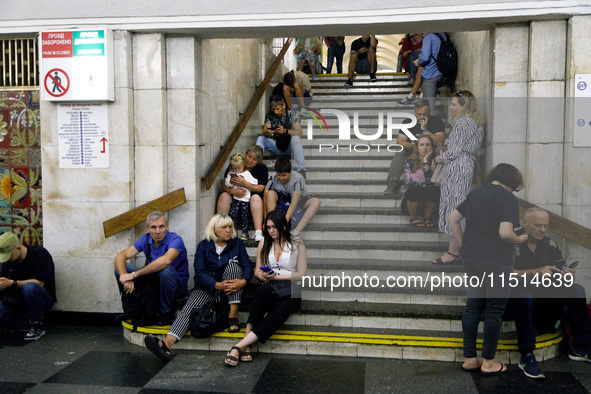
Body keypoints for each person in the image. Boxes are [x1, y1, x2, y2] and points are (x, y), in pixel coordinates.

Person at [448, 163, 528, 376]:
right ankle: (489, 362)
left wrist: (463, 243)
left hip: (472, 258)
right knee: (494, 309)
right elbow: (505, 233)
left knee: (473, 307)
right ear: (514, 181)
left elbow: (452, 218)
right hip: (496, 260)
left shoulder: (476, 193)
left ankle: (470, 358)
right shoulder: (507, 198)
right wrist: (519, 239)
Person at [144, 214, 254, 362]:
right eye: (224, 227)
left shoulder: (237, 244)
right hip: (209, 288)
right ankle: (167, 344)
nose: (228, 230)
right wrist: (216, 285)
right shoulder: (204, 246)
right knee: (188, 309)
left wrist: (244, 281)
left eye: (230, 227)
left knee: (234, 266)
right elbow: (200, 273)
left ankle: (233, 317)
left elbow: (247, 266)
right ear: (214, 229)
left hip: (230, 292)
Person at [507, 207, 591, 379]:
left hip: (544, 303)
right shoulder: (511, 240)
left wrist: (567, 274)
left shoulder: (550, 244)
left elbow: (561, 269)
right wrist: (535, 271)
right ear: (525, 223)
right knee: (524, 294)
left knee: (577, 290)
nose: (543, 230)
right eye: (538, 225)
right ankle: (527, 355)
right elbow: (504, 274)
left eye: (546, 226)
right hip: (516, 300)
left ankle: (579, 347)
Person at [224, 210, 307, 366]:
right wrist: (261, 276)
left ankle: (239, 346)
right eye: (268, 228)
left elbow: (301, 274)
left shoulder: (297, 243)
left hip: (291, 289)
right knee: (261, 292)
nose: (271, 231)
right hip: (270, 286)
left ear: (283, 226)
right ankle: (247, 343)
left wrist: (276, 277)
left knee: (281, 310)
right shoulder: (264, 242)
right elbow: (257, 270)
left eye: (275, 227)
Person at [432, 91, 484, 264]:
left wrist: (437, 159)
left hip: (457, 167)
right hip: (467, 165)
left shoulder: (463, 122)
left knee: (453, 208)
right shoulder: (476, 123)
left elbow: (454, 151)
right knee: (459, 207)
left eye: (454, 104)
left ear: (465, 105)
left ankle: (453, 252)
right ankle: (458, 250)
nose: (451, 108)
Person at [114, 211, 189, 326]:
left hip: (176, 286)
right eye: (153, 227)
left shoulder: (175, 240)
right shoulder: (146, 239)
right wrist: (126, 277)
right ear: (147, 228)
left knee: (165, 269)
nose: (157, 231)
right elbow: (120, 256)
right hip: (154, 284)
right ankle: (131, 309)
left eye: (161, 226)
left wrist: (134, 275)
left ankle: (166, 313)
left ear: (167, 226)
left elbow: (166, 260)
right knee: (120, 270)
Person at [0, 232, 56, 341]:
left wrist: (11, 283)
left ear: (18, 247)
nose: (8, 259)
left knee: (30, 287)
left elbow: (39, 283)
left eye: (10, 254)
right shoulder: (9, 262)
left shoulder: (39, 254)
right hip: (14, 301)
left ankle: (36, 325)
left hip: (41, 299)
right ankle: (18, 321)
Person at [384, 99, 445, 194]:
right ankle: (393, 183)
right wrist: (411, 145)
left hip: (430, 151)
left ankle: (444, 181)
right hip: (413, 151)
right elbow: (400, 141)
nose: (422, 117)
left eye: (425, 114)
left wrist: (424, 129)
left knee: (442, 150)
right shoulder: (408, 122)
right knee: (401, 151)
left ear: (429, 111)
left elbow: (440, 141)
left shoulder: (436, 121)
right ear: (415, 112)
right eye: (419, 114)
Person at [217, 145, 268, 242]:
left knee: (256, 198)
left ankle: (258, 231)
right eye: (249, 157)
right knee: (224, 195)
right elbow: (224, 185)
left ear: (258, 161)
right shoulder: (235, 165)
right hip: (234, 200)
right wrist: (232, 191)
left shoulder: (261, 168)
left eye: (254, 159)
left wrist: (245, 184)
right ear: (246, 155)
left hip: (250, 201)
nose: (250, 160)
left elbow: (261, 188)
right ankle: (219, 227)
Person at [265, 158, 320, 234]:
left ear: (290, 172)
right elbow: (265, 195)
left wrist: (283, 224)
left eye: (284, 175)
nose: (281, 178)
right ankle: (271, 223)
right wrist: (265, 220)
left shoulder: (298, 179)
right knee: (270, 194)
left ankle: (296, 232)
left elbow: (294, 203)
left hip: (299, 200)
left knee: (316, 202)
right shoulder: (273, 177)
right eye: (279, 175)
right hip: (282, 199)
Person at [256, 95, 307, 178]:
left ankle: (301, 170)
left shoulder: (292, 114)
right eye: (274, 110)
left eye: (278, 109)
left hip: (291, 148)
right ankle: (256, 166)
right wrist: (268, 132)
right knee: (260, 138)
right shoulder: (270, 115)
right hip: (277, 145)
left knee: (296, 137)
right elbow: (264, 131)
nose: (276, 112)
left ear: (284, 105)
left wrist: (285, 131)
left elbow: (300, 133)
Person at [401, 135, 440, 228]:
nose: (425, 148)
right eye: (422, 145)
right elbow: (409, 183)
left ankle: (427, 217)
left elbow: (431, 180)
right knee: (415, 190)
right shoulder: (409, 162)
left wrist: (426, 161)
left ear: (432, 147)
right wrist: (425, 185)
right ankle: (414, 217)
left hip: (429, 201)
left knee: (435, 190)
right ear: (417, 148)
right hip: (412, 201)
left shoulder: (435, 162)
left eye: (428, 145)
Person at [225, 153, 259, 241]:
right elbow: (226, 183)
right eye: (235, 168)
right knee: (233, 214)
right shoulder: (231, 173)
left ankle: (245, 232)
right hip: (236, 199)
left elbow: (255, 182)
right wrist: (231, 181)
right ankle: (233, 231)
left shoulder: (247, 174)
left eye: (239, 168)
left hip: (245, 199)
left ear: (243, 165)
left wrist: (245, 182)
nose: (237, 170)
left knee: (245, 216)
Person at [414, 32, 446, 111]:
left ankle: (430, 123)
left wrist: (417, 62)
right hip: (443, 73)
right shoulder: (443, 35)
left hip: (431, 75)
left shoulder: (429, 37)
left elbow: (425, 58)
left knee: (428, 106)